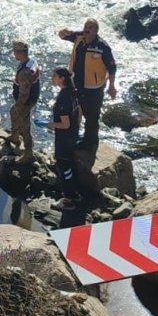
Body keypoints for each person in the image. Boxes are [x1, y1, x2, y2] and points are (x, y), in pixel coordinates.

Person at [58, 19, 116, 159]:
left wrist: (112, 86)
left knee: (91, 117)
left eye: (90, 27)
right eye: (85, 26)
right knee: (75, 112)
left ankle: (90, 143)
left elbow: (112, 68)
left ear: (96, 30)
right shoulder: (79, 37)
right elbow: (62, 36)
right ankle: (74, 138)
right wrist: (62, 32)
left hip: (93, 89)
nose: (86, 29)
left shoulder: (102, 46)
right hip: (76, 84)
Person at [47, 67, 82, 211]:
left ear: (62, 78)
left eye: (54, 76)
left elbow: (64, 124)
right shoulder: (74, 92)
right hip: (73, 135)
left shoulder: (63, 98)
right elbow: (79, 113)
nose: (52, 78)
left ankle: (68, 200)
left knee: (64, 168)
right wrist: (76, 129)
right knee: (71, 165)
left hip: (63, 139)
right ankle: (75, 194)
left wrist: (49, 124)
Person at [6, 40, 40, 163]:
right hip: (30, 98)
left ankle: (28, 153)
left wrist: (18, 106)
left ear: (20, 53)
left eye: (15, 52)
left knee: (25, 125)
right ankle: (15, 137)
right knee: (13, 113)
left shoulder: (25, 72)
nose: (14, 54)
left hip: (25, 102)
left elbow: (24, 93)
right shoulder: (31, 62)